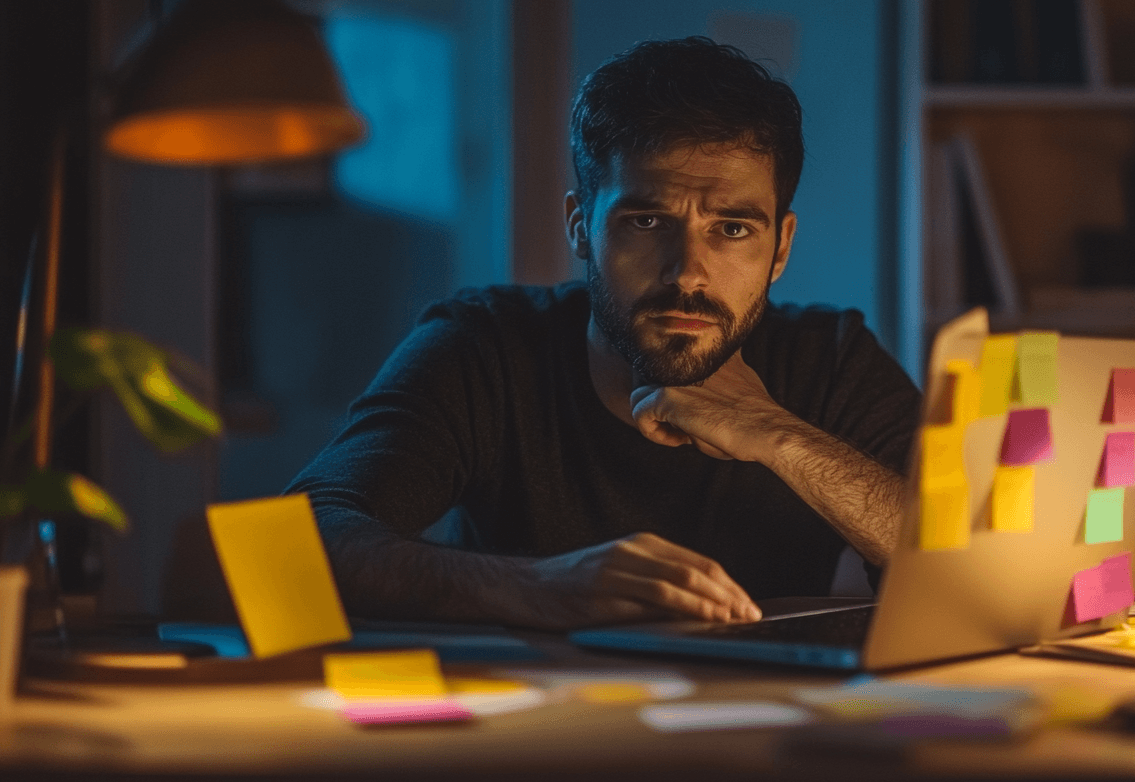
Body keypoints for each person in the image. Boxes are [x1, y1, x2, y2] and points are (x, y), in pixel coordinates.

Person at [288, 37, 921, 630]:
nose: (688, 274)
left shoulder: (831, 359)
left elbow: (978, 559)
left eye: (732, 229)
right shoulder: (484, 346)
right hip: (532, 730)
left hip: (769, 729)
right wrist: (534, 586)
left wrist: (779, 435)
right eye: (647, 221)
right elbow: (296, 543)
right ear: (579, 226)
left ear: (780, 248)